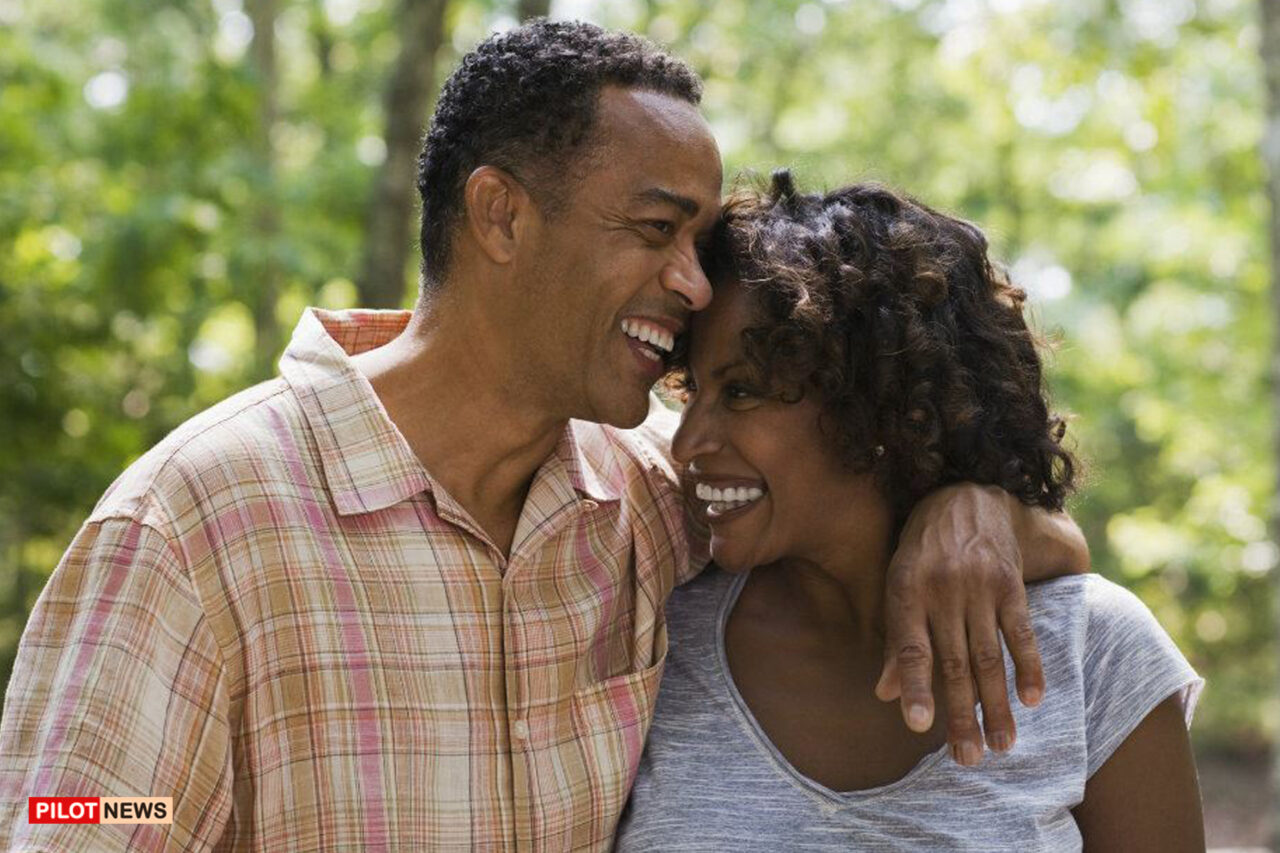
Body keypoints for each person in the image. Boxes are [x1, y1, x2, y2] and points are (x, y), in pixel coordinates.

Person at [0, 22, 1088, 852]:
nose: (693, 284)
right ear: (501, 215)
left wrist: (977, 509)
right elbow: (70, 804)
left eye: (698, 243)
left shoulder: (648, 503)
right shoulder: (194, 521)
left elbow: (845, 502)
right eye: (656, 231)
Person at [615, 172, 1204, 851]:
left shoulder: (1094, 650)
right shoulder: (659, 637)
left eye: (742, 392)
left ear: (880, 408)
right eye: (694, 393)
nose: (687, 444)